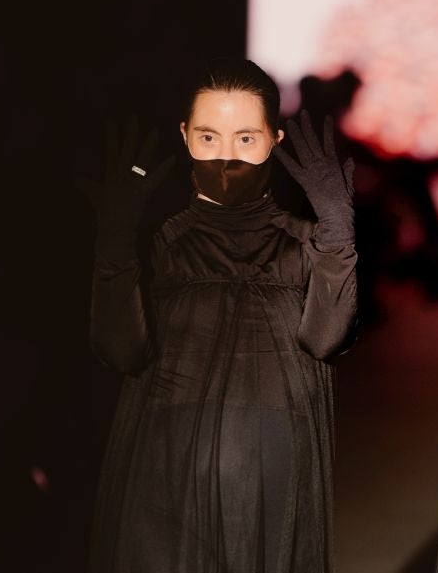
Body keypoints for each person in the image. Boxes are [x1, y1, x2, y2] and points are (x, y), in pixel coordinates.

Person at [85, 59, 357, 572]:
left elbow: (327, 340)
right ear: (185, 136)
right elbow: (120, 351)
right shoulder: (157, 245)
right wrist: (115, 246)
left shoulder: (306, 245)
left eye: (246, 139)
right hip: (165, 461)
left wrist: (339, 236)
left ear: (274, 138)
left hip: (269, 466)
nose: (226, 158)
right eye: (209, 138)